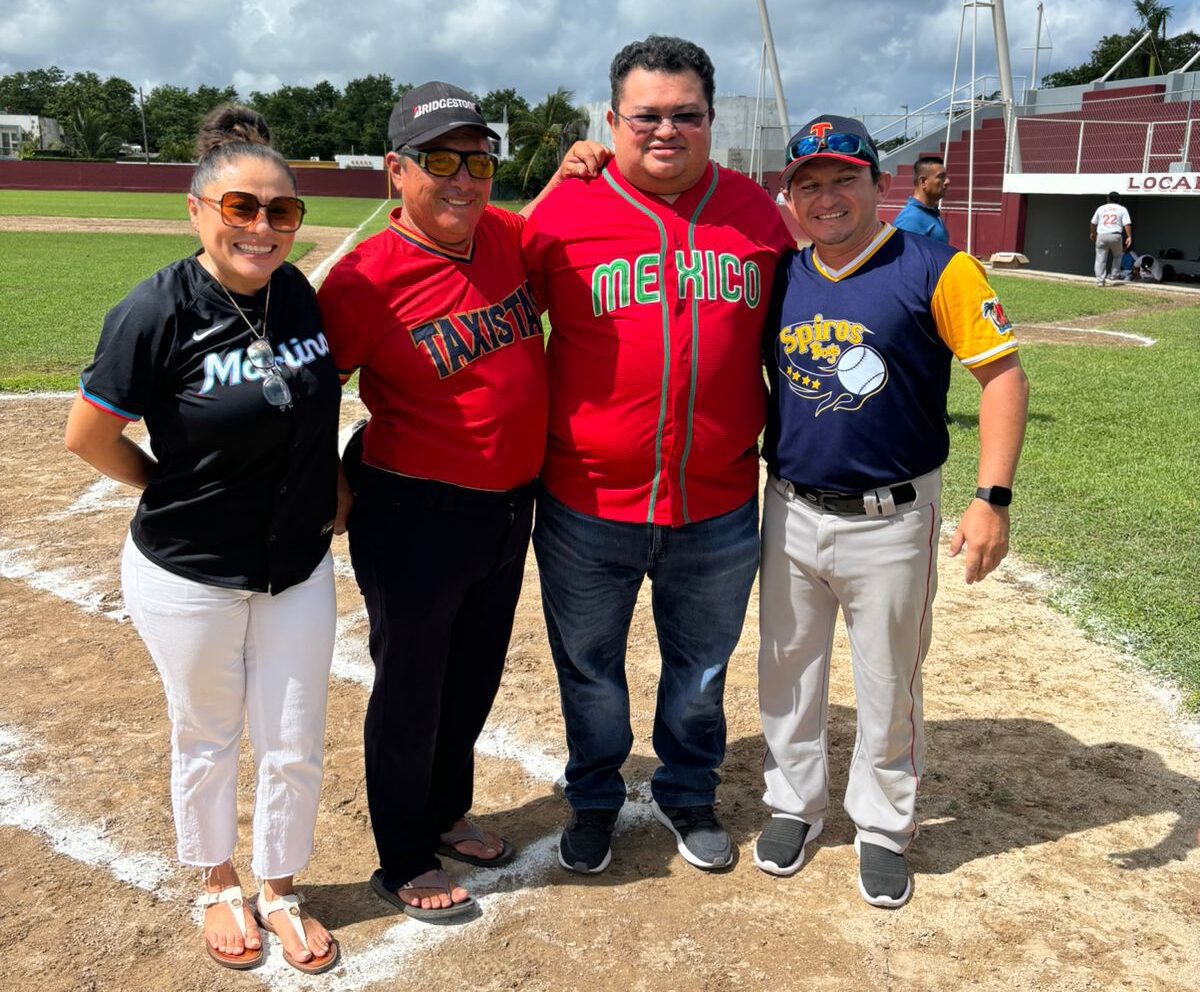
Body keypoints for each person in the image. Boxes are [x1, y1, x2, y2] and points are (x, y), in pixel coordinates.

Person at [317, 81, 607, 922]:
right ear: (395, 171)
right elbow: (310, 392)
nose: (464, 178)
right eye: (440, 159)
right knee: (411, 686)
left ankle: (446, 811)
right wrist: (332, 478)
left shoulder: (504, 237)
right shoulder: (363, 281)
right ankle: (403, 854)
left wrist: (572, 167)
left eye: (478, 160)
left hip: (507, 507)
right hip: (413, 512)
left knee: (473, 677)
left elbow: (547, 215)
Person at [64, 106, 341, 972]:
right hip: (190, 572)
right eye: (241, 209)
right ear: (198, 210)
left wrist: (326, 483)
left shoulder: (296, 294)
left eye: (281, 211)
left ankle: (282, 888)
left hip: (296, 566)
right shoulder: (154, 310)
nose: (262, 228)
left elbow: (311, 407)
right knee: (210, 735)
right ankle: (218, 880)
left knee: (295, 738)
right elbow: (88, 436)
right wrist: (163, 488)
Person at [521, 35, 794, 875]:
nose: (665, 130)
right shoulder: (561, 213)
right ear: (612, 120)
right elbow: (488, 307)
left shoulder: (757, 215)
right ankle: (596, 800)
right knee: (590, 673)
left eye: (686, 115)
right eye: (647, 116)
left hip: (714, 504)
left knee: (701, 671)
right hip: (584, 502)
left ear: (712, 120)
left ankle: (686, 794)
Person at [756, 115, 1029, 908]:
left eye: (845, 178)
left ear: (883, 185)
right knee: (787, 669)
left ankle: (881, 825)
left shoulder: (938, 267)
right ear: (791, 197)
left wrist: (991, 500)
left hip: (894, 514)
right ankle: (794, 804)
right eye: (810, 183)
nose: (828, 196)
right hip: (793, 507)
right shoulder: (784, 274)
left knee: (887, 680)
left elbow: (1003, 378)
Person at [892, 154, 949, 243]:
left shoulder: (930, 212)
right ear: (923, 182)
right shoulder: (909, 219)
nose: (947, 181)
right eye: (941, 177)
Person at [1090, 191, 1132, 287]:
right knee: (1118, 255)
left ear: (1108, 199)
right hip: (1115, 236)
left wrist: (1092, 233)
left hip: (1101, 235)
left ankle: (1100, 280)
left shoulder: (1101, 208)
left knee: (1100, 258)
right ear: (1119, 199)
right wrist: (1129, 236)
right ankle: (1114, 275)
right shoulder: (1122, 209)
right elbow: (1127, 224)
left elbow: (1093, 223)